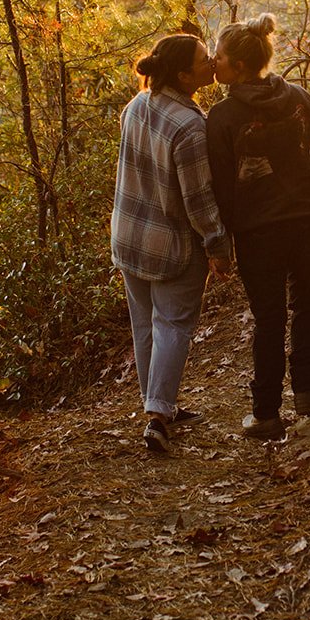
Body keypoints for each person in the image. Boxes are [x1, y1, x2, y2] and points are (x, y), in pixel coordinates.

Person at [206, 14, 310, 440]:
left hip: (259, 229)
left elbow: (221, 182)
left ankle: (266, 413)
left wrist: (229, 232)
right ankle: (307, 392)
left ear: (239, 68)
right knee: (307, 305)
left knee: (268, 319)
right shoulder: (299, 96)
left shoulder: (223, 117)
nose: (213, 61)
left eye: (220, 56)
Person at [111, 33, 233, 454]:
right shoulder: (190, 127)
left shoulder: (135, 107)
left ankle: (157, 404)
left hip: (128, 238)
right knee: (174, 325)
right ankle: (157, 416)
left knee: (146, 326)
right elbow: (198, 201)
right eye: (204, 60)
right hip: (170, 247)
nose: (213, 62)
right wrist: (218, 246)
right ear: (184, 76)